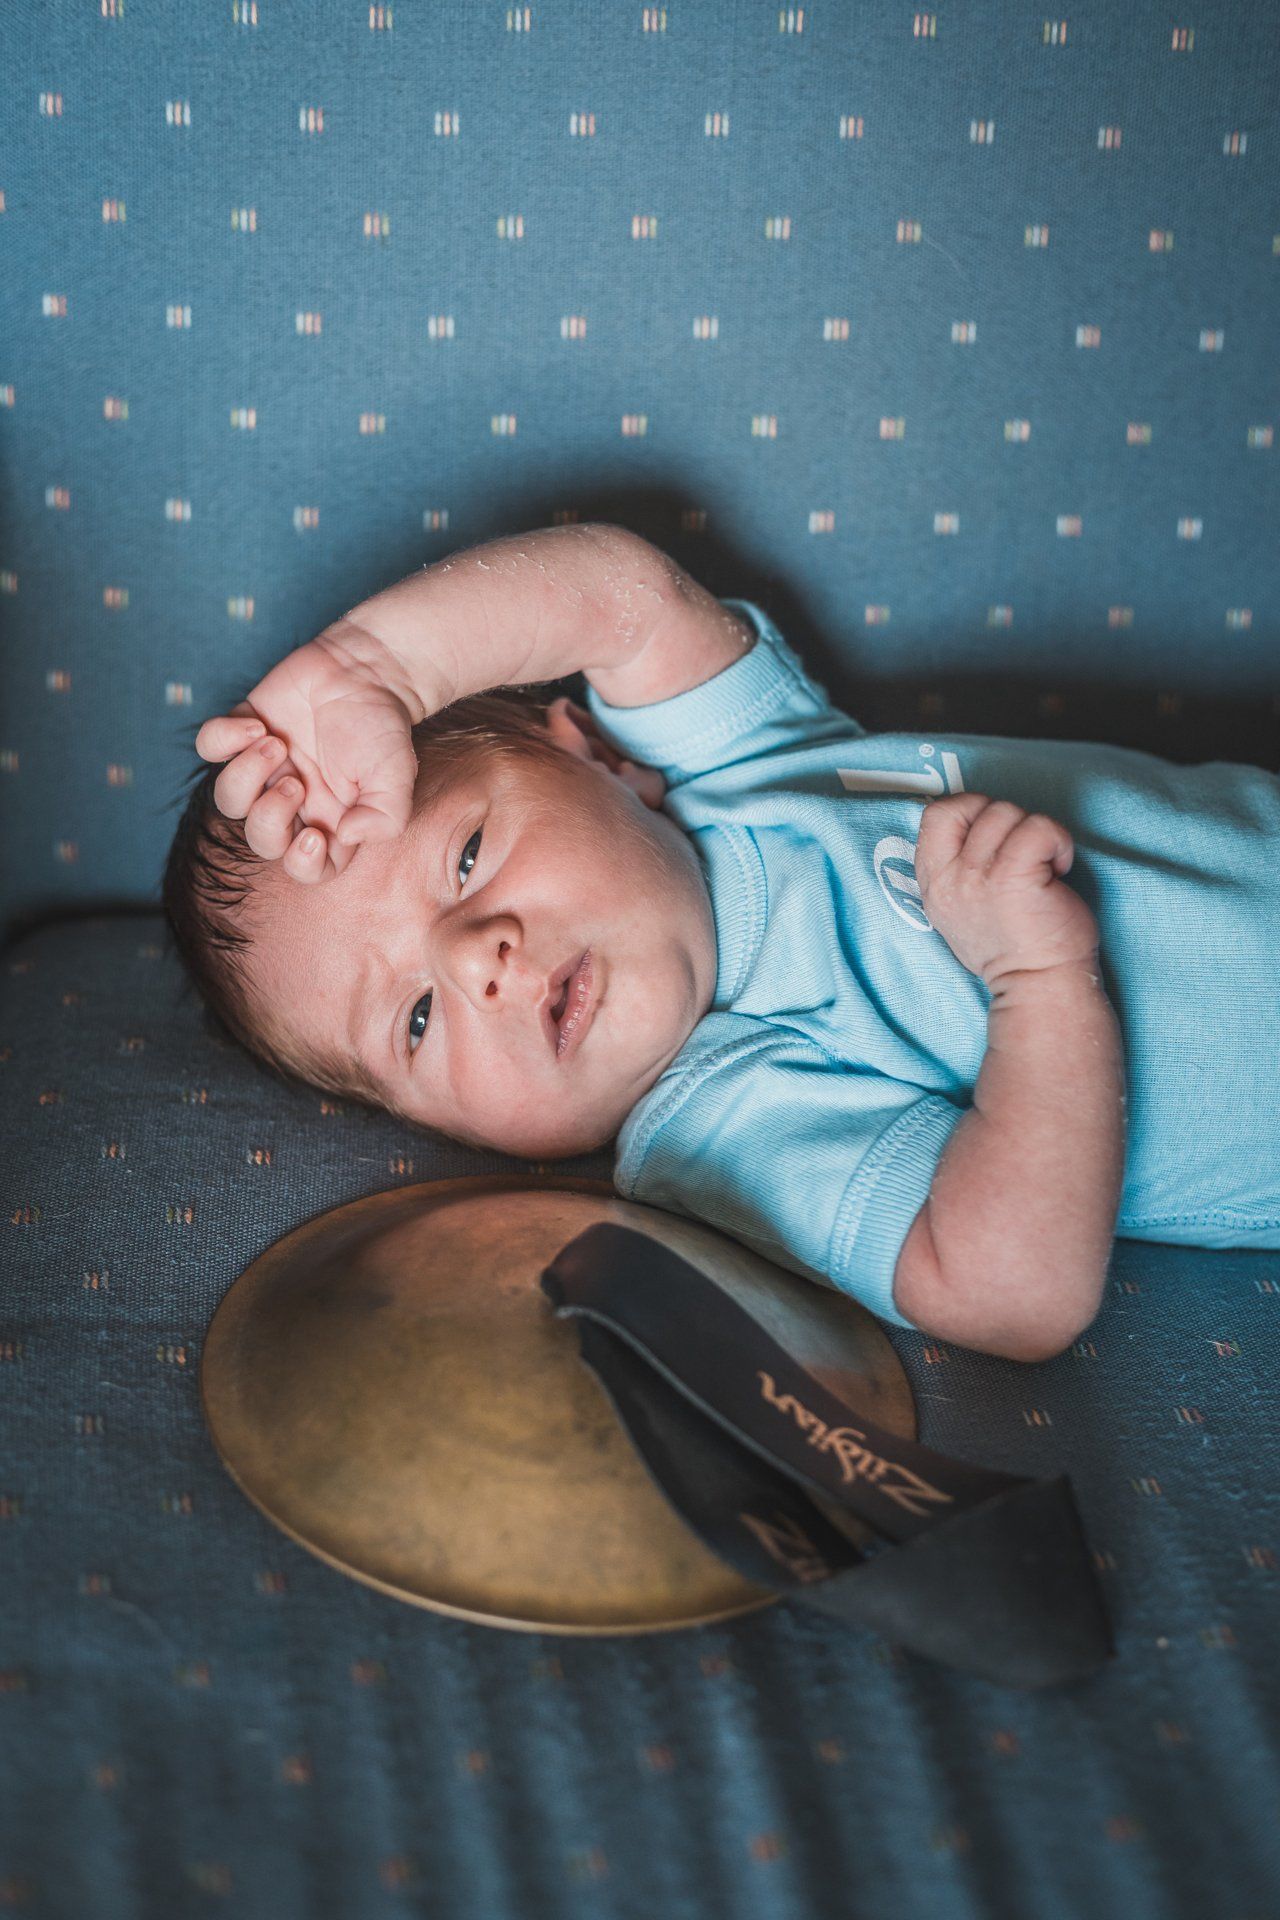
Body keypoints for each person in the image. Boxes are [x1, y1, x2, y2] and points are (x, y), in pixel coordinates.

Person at [162, 522, 1280, 1364]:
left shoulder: (747, 765)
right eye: (414, 1019)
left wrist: (374, 668)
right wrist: (1039, 980)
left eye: (464, 857)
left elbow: (618, 593)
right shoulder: (721, 1127)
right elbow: (1008, 1292)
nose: (474, 960)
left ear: (599, 756)